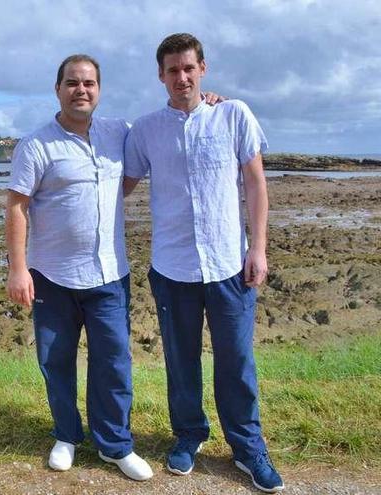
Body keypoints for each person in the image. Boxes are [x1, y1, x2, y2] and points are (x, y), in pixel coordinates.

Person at [123, 33, 284, 493]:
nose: (182, 77)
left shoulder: (234, 114)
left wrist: (259, 248)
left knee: (236, 360)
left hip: (230, 265)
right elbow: (121, 186)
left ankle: (248, 447)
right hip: (172, 268)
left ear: (203, 68)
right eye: (172, 70)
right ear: (161, 75)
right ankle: (189, 435)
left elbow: (255, 184)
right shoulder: (147, 129)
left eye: (189, 68)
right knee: (181, 359)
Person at [5, 54, 153, 481]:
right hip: (51, 275)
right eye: (72, 83)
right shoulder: (36, 144)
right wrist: (18, 269)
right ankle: (67, 435)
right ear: (58, 89)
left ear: (99, 89)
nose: (81, 90)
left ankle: (115, 445)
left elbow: (146, 153)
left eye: (89, 83)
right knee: (56, 360)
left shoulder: (119, 133)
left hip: (109, 275)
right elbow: (17, 207)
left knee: (113, 362)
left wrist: (209, 99)